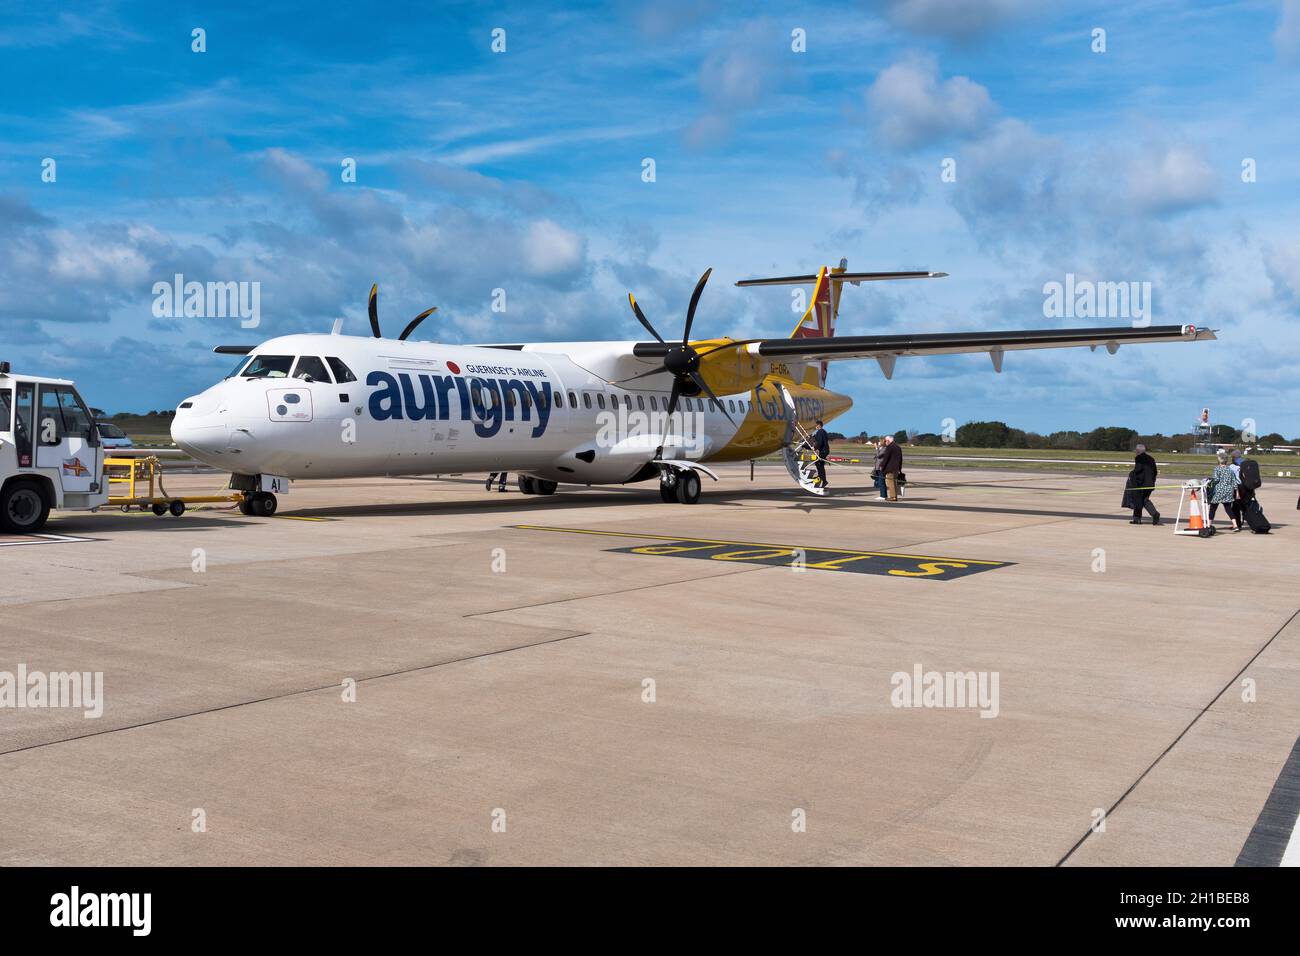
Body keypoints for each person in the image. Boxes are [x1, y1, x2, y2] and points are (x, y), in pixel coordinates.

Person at [1207, 449, 1241, 531]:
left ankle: (1208, 525)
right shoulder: (1230, 469)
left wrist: (1209, 480)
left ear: (1219, 460)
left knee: (1213, 508)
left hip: (1218, 491)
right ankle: (1235, 525)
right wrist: (1237, 493)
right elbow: (1234, 481)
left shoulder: (1217, 469)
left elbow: (1216, 479)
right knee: (1228, 508)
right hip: (1228, 491)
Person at [1129, 443, 1161, 525]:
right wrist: (1152, 481)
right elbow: (1155, 472)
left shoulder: (1139, 458)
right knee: (1144, 500)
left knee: (1138, 500)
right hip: (1150, 483)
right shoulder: (1151, 458)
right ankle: (1152, 514)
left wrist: (1131, 474)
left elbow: (1138, 470)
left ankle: (1139, 518)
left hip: (1141, 484)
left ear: (1138, 451)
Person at [880, 434, 903, 502]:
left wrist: (882, 466)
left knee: (890, 482)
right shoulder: (898, 447)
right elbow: (901, 459)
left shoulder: (890, 447)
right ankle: (894, 496)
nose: (885, 442)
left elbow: (886, 458)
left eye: (885, 440)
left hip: (890, 468)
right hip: (896, 468)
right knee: (894, 482)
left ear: (888, 440)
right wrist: (899, 468)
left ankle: (893, 497)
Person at [808, 420, 831, 488]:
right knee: (820, 464)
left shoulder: (820, 432)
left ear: (819, 425)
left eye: (816, 425)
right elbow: (817, 438)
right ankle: (822, 478)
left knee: (818, 463)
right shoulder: (823, 432)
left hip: (823, 451)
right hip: (825, 450)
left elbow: (820, 442)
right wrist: (812, 437)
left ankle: (822, 479)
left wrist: (815, 448)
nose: (815, 427)